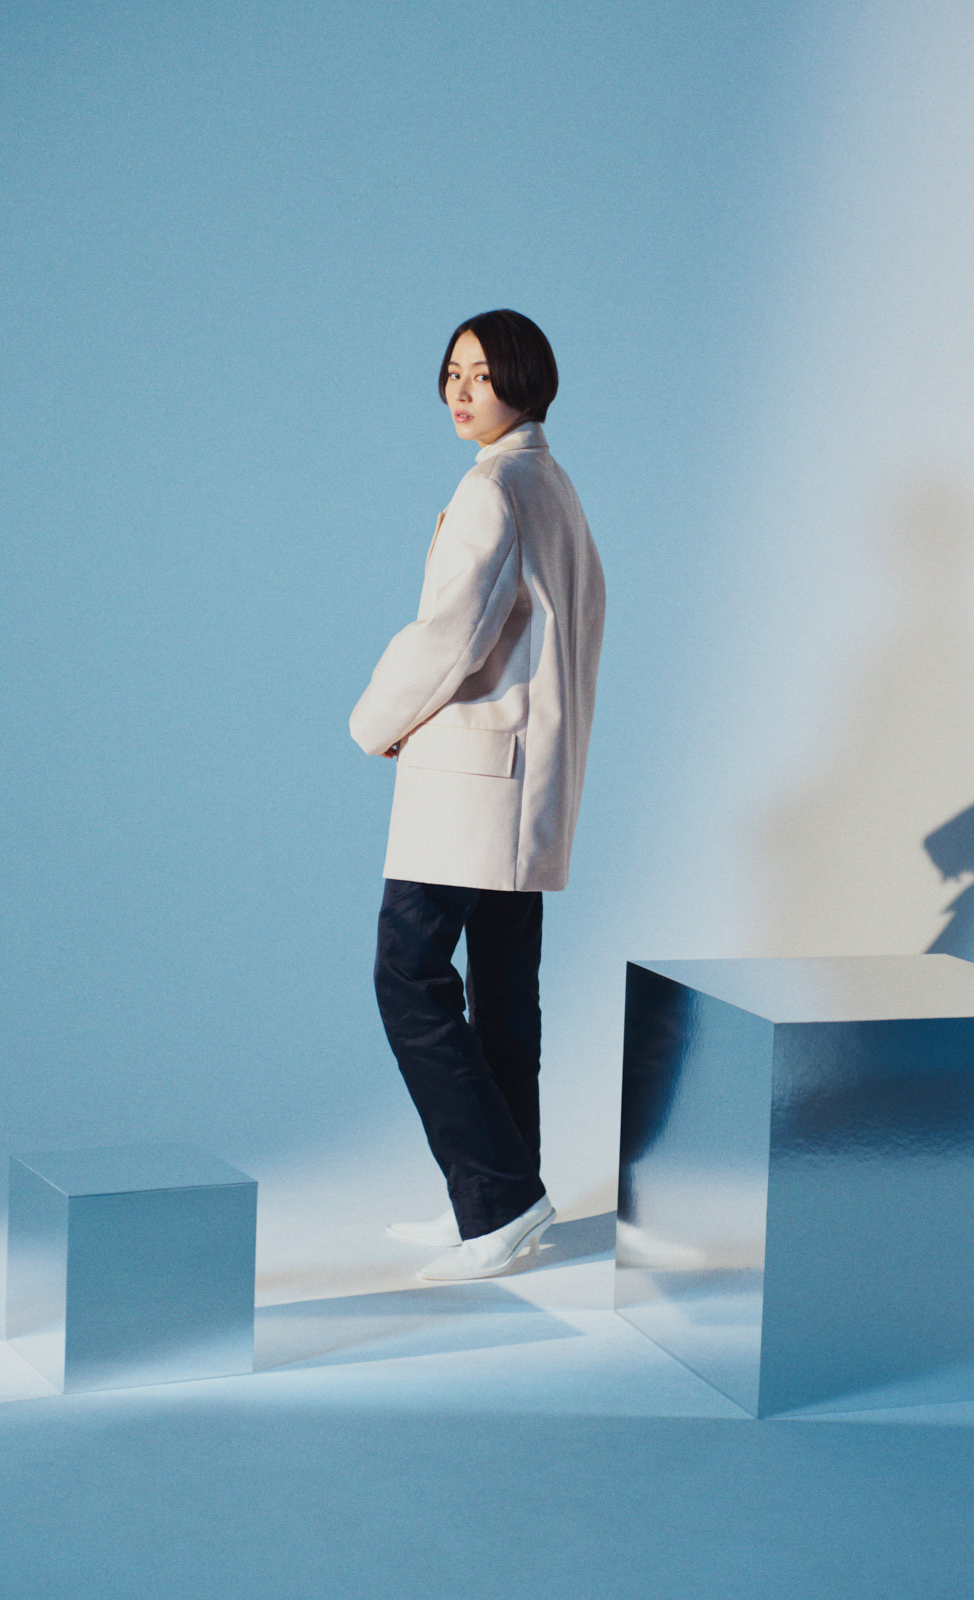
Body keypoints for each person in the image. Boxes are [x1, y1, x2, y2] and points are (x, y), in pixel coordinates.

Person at [349, 309, 606, 1282]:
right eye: (452, 372)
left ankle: (498, 1198)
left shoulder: (494, 489)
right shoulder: (551, 481)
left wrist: (376, 721)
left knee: (408, 974)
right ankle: (498, 1197)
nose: (461, 391)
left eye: (483, 374)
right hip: (526, 774)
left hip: (473, 776)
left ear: (525, 381)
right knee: (501, 992)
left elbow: (449, 638)